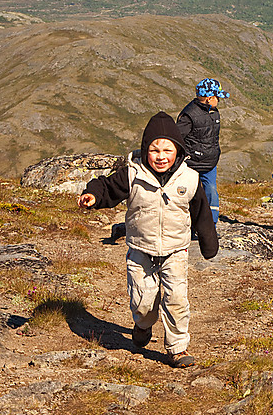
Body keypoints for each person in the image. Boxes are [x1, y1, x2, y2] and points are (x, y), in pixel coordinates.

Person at [78, 111, 218, 368]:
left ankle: (177, 348)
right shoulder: (133, 175)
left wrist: (209, 244)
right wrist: (93, 196)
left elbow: (201, 212)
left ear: (178, 150)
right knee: (143, 301)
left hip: (176, 251)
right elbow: (106, 187)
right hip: (141, 250)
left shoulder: (189, 178)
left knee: (176, 299)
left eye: (168, 149)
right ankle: (142, 325)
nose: (161, 156)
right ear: (145, 149)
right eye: (154, 150)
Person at [177, 78, 227, 224]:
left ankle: (211, 225)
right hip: (191, 163)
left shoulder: (214, 112)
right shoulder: (189, 115)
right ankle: (189, 225)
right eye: (218, 97)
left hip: (209, 163)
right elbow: (177, 137)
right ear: (209, 98)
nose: (219, 100)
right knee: (189, 194)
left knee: (211, 191)